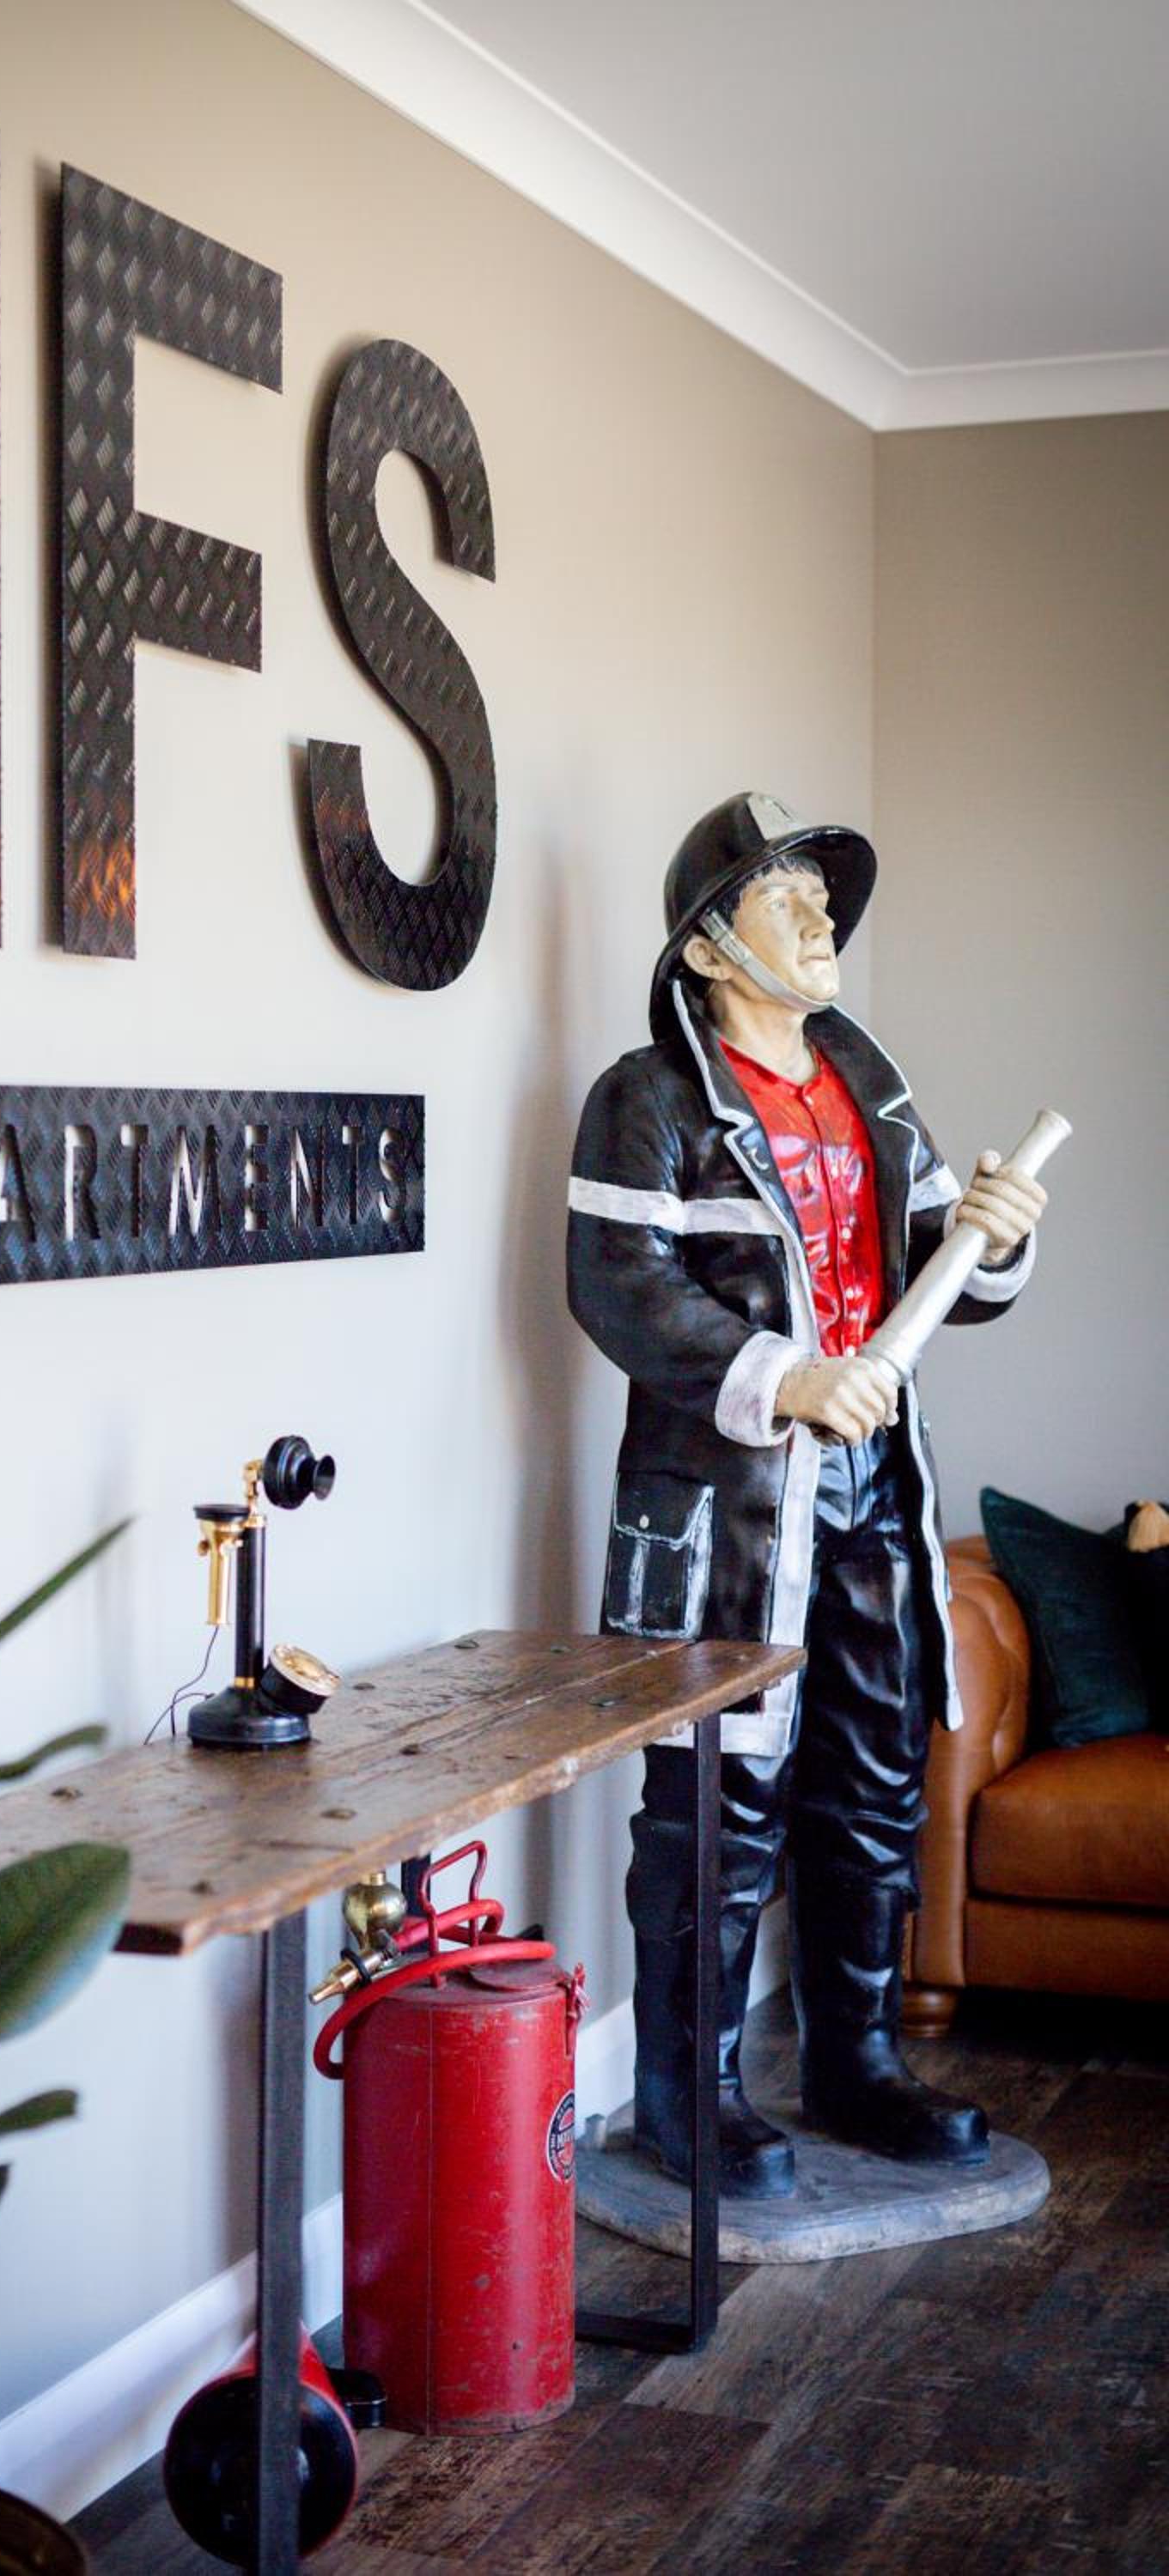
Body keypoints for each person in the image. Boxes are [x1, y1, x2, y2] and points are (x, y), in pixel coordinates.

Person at [566, 793, 1046, 2197]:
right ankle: (689, 2096)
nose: (820, 917)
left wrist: (994, 1239)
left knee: (874, 1776)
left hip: (875, 1486)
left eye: (823, 899)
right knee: (715, 1794)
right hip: (727, 1512)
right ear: (707, 946)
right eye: (786, 898)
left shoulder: (867, 1085)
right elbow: (617, 1286)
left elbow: (949, 1271)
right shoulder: (647, 1098)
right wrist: (787, 1378)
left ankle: (861, 2066)